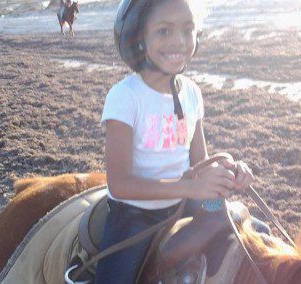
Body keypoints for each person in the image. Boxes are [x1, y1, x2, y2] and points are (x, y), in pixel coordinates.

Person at [95, 0, 270, 283]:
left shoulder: (191, 93)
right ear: (138, 38)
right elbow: (120, 183)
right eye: (164, 31)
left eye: (188, 30)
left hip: (184, 203)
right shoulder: (125, 96)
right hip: (134, 215)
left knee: (258, 233)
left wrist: (227, 171)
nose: (179, 41)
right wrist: (191, 186)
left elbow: (199, 163)